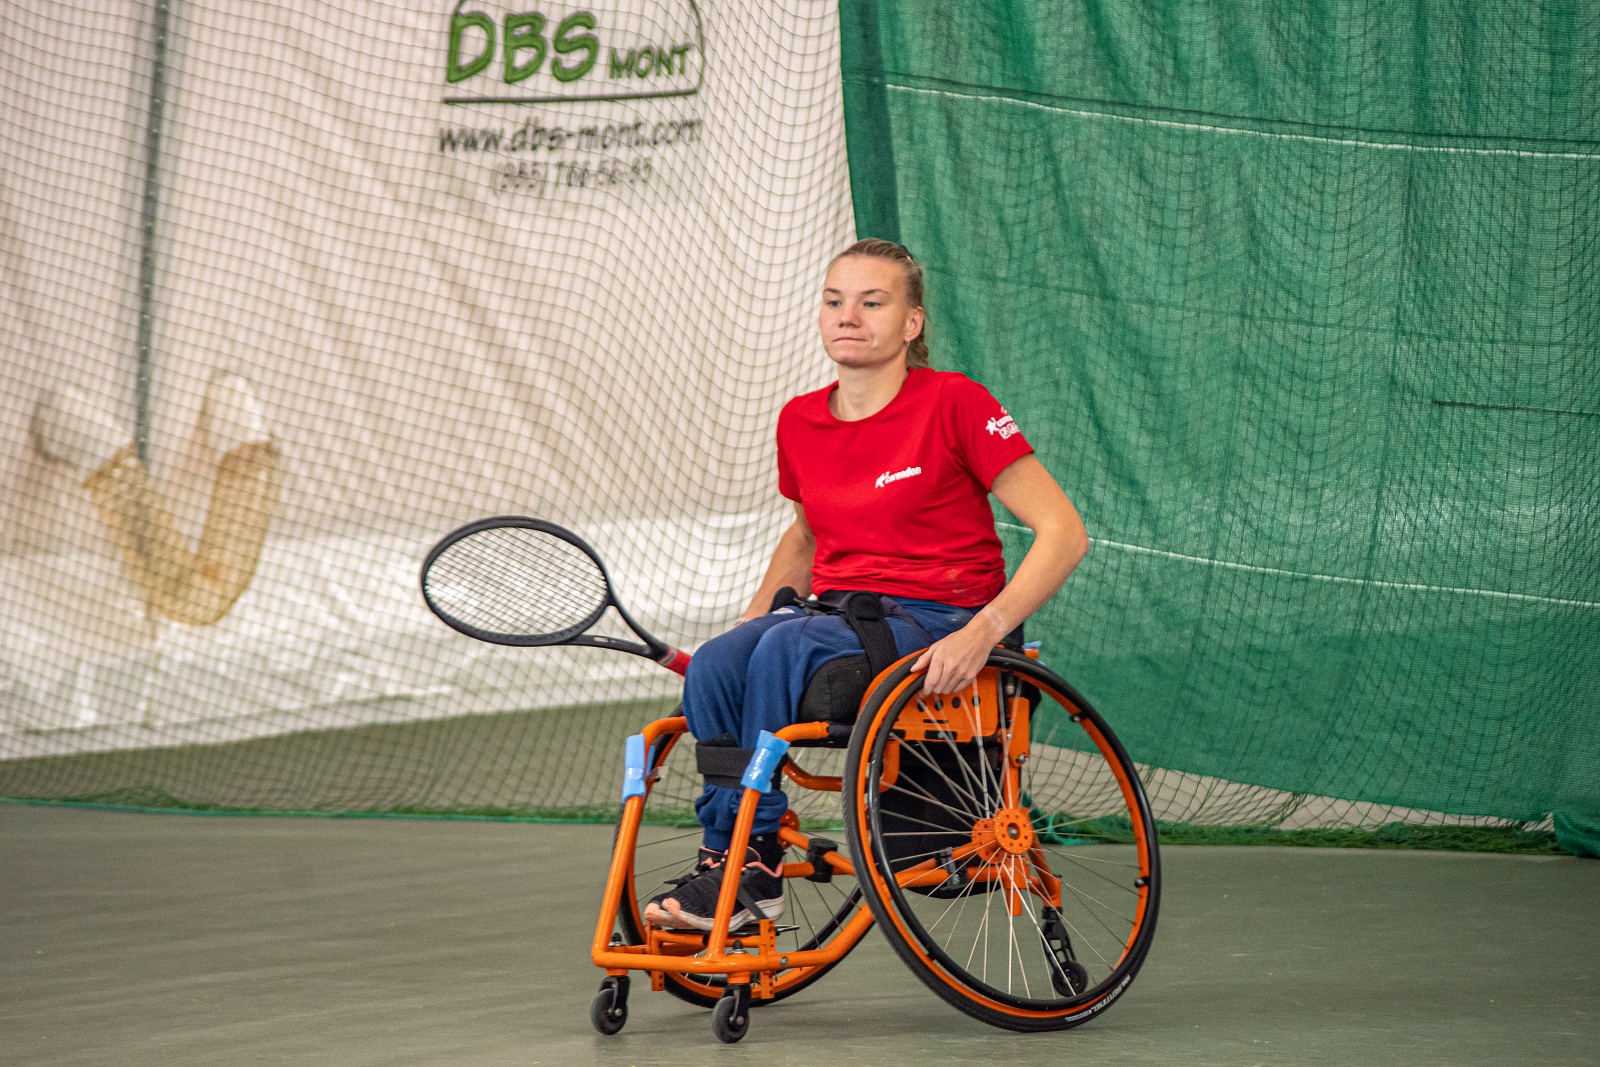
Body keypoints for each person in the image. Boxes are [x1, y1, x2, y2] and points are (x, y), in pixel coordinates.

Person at [644, 239, 1089, 931]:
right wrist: (750, 617)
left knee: (782, 651)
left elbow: (1064, 532)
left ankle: (749, 865)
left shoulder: (955, 402)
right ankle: (728, 856)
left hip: (941, 616)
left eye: (871, 302)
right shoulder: (800, 420)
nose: (847, 316)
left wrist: (984, 632)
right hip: (839, 615)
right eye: (834, 301)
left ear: (911, 323)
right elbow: (805, 536)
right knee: (718, 664)